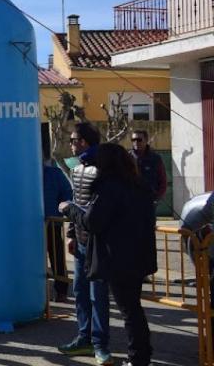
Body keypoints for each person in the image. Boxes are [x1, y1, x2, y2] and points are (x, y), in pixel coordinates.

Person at [60, 143, 157, 366]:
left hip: (119, 258)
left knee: (130, 311)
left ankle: (139, 358)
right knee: (133, 309)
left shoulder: (109, 187)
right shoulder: (139, 185)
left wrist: (69, 209)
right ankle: (141, 355)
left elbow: (93, 221)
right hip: (139, 256)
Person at [58, 122, 113, 365]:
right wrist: (71, 234)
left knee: (97, 295)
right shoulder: (77, 168)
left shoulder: (104, 169)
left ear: (84, 142)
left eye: (73, 140)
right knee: (80, 291)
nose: (70, 144)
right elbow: (76, 201)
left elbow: (100, 207)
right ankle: (84, 338)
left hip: (98, 243)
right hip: (81, 241)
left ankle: (100, 345)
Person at [43, 138, 73, 302]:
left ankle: (61, 290)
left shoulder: (54, 174)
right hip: (28, 226)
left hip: (51, 223)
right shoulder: (22, 175)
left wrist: (63, 209)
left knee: (57, 258)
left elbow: (68, 194)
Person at [130, 130, 167, 206]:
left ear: (146, 140)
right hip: (131, 202)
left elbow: (163, 180)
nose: (136, 142)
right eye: (133, 140)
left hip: (150, 201)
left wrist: (158, 198)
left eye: (139, 140)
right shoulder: (127, 157)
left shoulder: (155, 158)